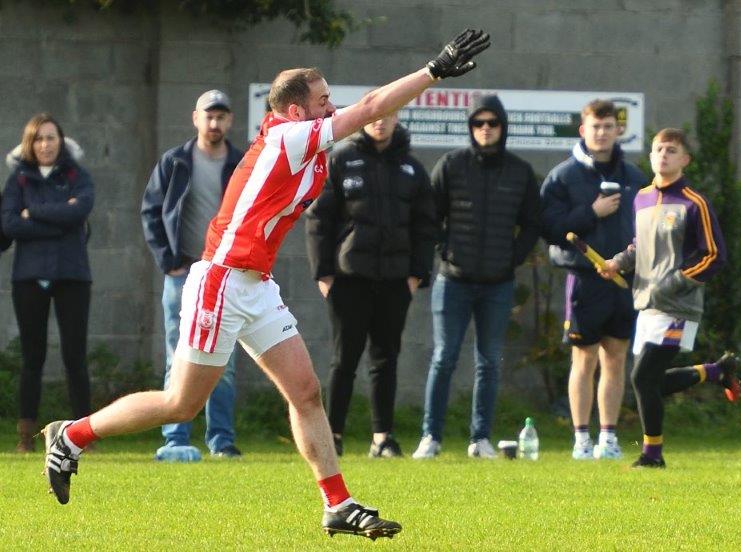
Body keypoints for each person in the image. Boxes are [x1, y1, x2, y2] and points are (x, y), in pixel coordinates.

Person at [40, 28, 491, 540]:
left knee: (306, 391)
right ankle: (71, 435)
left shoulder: (305, 141)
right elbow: (368, 108)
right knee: (181, 404)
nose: (331, 107)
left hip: (255, 285)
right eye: (323, 101)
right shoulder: (287, 136)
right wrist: (433, 70)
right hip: (222, 280)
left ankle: (337, 504)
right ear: (297, 112)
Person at [599, 128, 741, 468]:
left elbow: (714, 256)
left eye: (671, 150)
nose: (663, 155)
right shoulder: (642, 198)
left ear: (684, 160)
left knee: (641, 378)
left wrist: (675, 282)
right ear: (650, 156)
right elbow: (639, 246)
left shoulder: (695, 202)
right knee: (651, 383)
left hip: (678, 306)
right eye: (658, 149)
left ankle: (652, 454)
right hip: (645, 304)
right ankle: (715, 371)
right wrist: (617, 262)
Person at [412, 94, 540, 460]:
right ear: (471, 128)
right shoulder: (451, 165)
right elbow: (429, 217)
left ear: (503, 127)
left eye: (492, 123)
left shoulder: (519, 171)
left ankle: (480, 439)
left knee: (488, 361)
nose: (486, 129)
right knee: (444, 357)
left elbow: (532, 223)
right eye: (478, 123)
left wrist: (512, 259)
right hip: (452, 280)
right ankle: (430, 437)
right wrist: (444, 252)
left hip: (498, 284)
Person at [305, 112, 436, 458]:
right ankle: (333, 435)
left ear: (396, 120)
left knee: (385, 359)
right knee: (344, 359)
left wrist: (416, 275)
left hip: (396, 279)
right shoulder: (342, 160)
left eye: (388, 116)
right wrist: (323, 272)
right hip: (349, 277)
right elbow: (319, 217)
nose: (380, 122)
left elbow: (426, 225)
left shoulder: (411, 168)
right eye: (375, 116)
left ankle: (383, 438)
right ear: (364, 120)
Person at [141, 90, 245, 462]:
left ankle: (221, 441)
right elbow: (151, 212)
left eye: (221, 117)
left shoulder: (241, 164)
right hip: (182, 274)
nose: (214, 123)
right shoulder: (174, 162)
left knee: (225, 360)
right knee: (178, 356)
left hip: (226, 274)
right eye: (208, 116)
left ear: (230, 121)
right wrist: (168, 261)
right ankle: (175, 439)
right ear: (195, 118)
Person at [540, 99, 646, 460]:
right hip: (584, 279)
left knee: (616, 357)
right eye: (594, 127)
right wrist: (590, 213)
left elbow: (647, 230)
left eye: (608, 127)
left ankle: (609, 438)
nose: (601, 133)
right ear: (583, 131)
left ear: (618, 131)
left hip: (623, 281)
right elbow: (551, 228)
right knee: (583, 359)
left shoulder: (635, 177)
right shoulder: (563, 176)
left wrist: (627, 263)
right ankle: (581, 439)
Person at [1, 114, 93, 453]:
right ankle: (26, 436)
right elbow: (10, 225)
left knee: (75, 356)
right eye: (38, 138)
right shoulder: (18, 180)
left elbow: (79, 212)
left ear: (61, 141)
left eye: (51, 137)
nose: (45, 144)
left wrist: (34, 213)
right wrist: (59, 216)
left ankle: (85, 434)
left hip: (72, 275)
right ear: (30, 143)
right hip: (29, 277)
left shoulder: (77, 176)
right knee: (32, 357)